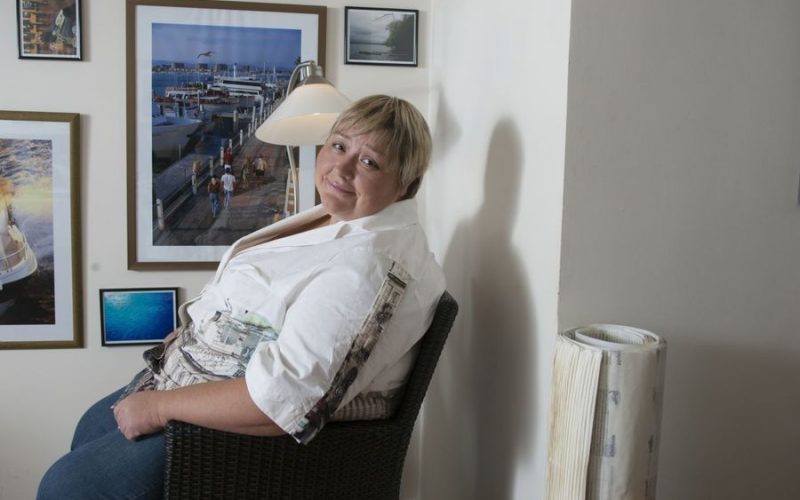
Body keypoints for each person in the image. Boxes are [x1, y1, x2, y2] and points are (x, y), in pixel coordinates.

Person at [37, 95, 445, 499]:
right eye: (338, 146)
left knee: (68, 486)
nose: (341, 167)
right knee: (90, 426)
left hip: (238, 439)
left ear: (404, 184)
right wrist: (192, 334)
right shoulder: (343, 220)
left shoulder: (371, 266)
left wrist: (159, 408)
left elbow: (286, 397)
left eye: (369, 162)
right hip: (193, 374)